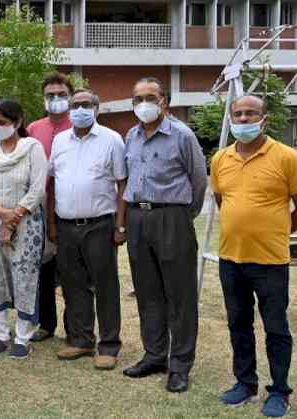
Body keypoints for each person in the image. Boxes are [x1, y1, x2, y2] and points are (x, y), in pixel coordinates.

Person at [211, 95, 296, 417]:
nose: (243, 119)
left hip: (271, 261)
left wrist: (276, 229)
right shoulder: (221, 158)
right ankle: (245, 384)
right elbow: (221, 201)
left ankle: (279, 390)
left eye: (250, 114)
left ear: (264, 120)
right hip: (231, 258)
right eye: (238, 114)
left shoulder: (287, 157)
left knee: (276, 328)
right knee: (239, 324)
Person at [122, 77, 207, 393]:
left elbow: (198, 181)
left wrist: (182, 215)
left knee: (180, 295)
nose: (143, 103)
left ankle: (180, 364)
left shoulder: (182, 135)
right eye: (137, 98)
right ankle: (155, 354)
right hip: (137, 217)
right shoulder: (130, 135)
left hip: (172, 216)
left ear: (164, 101)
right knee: (148, 291)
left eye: (150, 97)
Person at [48, 89, 127, 370]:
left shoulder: (112, 140)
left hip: (100, 224)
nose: (79, 109)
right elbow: (52, 182)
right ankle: (80, 339)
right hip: (66, 224)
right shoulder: (59, 141)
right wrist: (53, 224)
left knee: (105, 285)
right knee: (73, 285)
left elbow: (122, 184)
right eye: (75, 105)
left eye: (85, 105)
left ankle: (108, 344)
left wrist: (120, 224)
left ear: (97, 108)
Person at [0, 100, 47, 359]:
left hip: (26, 224)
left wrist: (14, 216)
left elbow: (37, 188)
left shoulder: (32, 148)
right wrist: (1, 213)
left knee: (24, 275)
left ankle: (23, 337)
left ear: (17, 122)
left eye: (2, 122)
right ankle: (0, 335)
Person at [26, 72, 73, 342]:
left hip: (69, 207)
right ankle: (46, 323)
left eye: (61, 94)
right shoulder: (34, 128)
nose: (56, 100)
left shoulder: (79, 125)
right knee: (43, 269)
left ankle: (74, 326)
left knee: (71, 272)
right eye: (50, 95)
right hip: (39, 208)